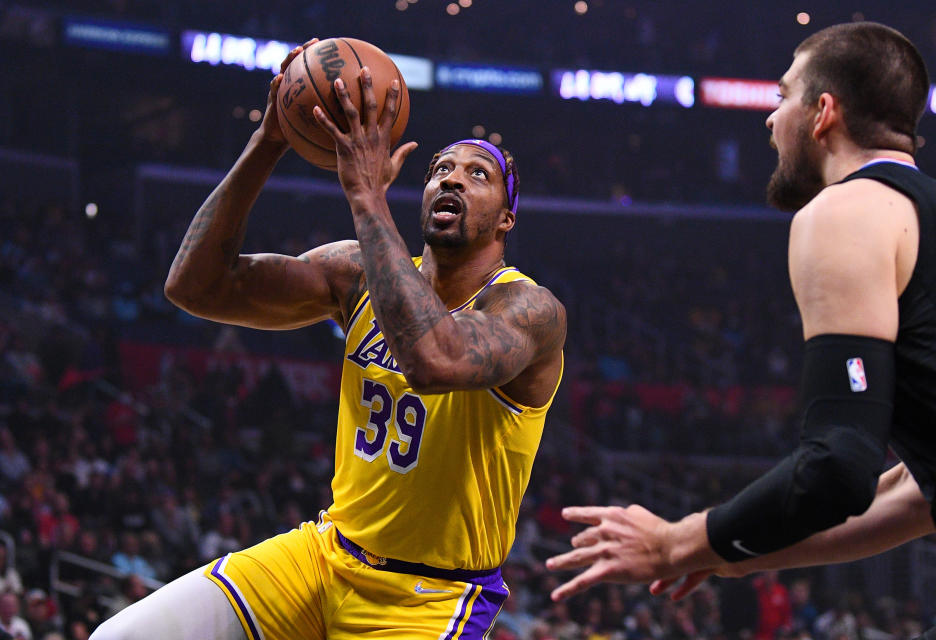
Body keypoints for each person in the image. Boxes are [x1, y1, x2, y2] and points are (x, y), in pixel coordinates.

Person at [92, 37, 565, 640]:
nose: (453, 180)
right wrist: (270, 139)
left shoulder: (528, 309)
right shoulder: (358, 272)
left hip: (429, 597)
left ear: (506, 218)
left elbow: (434, 358)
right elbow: (196, 286)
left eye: (478, 174)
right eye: (441, 170)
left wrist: (366, 196)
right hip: (325, 557)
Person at [545, 20, 936, 609]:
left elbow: (839, 466)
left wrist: (676, 543)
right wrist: (720, 548)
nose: (770, 117)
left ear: (822, 112)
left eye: (783, 96)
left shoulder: (846, 211)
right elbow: (914, 493)